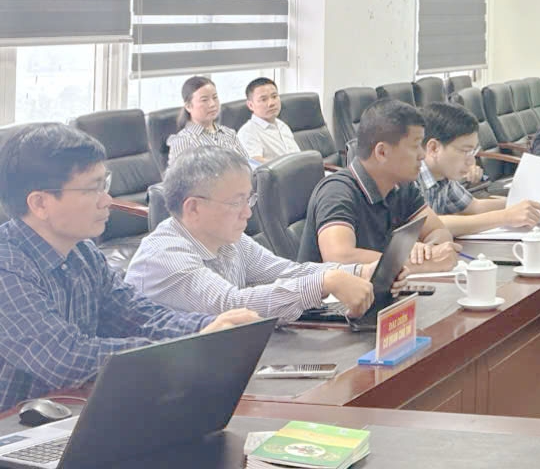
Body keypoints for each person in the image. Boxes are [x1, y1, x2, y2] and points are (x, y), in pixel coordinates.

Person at [0, 124, 257, 411]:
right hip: (11, 427)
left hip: (66, 412)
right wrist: (185, 349)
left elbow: (138, 316)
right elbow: (64, 357)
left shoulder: (83, 253)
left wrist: (209, 328)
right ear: (40, 203)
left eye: (105, 185)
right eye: (92, 189)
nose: (107, 200)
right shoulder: (7, 267)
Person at [126, 149, 374, 322]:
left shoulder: (229, 240)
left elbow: (287, 272)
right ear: (193, 208)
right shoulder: (164, 256)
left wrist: (360, 272)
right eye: (237, 202)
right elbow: (232, 306)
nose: (248, 212)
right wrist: (324, 283)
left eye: (249, 199)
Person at [297, 98, 456, 270]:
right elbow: (339, 256)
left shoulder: (402, 186)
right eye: (415, 146)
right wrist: (422, 263)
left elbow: (438, 231)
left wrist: (428, 251)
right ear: (382, 152)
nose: (422, 155)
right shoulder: (337, 192)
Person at [418, 103, 540, 233]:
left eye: (473, 152)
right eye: (465, 151)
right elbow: (425, 224)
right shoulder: (411, 176)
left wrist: (527, 203)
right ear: (434, 148)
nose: (471, 161)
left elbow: (473, 207)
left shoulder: (443, 175)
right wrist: (505, 217)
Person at [167, 75, 248, 166]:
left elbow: (248, 165)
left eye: (215, 97)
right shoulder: (183, 141)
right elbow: (180, 174)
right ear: (188, 106)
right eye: (204, 100)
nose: (212, 104)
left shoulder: (229, 133)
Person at [236, 78, 300, 163]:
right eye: (263, 99)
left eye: (274, 96)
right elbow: (255, 162)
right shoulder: (247, 132)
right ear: (250, 105)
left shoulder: (282, 125)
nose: (271, 103)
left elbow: (297, 156)